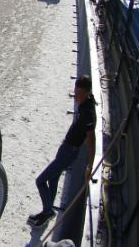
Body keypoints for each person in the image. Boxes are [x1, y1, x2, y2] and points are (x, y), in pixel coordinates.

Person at [28, 75, 97, 227]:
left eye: (78, 94)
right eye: (75, 92)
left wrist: (89, 167)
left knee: (40, 181)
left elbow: (91, 141)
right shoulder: (86, 100)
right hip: (66, 148)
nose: (76, 96)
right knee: (53, 180)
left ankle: (47, 211)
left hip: (69, 152)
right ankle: (46, 212)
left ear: (86, 92)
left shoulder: (88, 113)